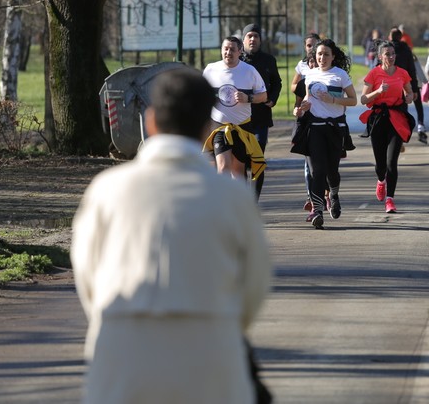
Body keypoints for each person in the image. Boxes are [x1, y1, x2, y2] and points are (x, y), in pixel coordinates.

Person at [71, 67, 272, 404]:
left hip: (120, 358)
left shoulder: (106, 190)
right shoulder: (233, 197)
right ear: (207, 129)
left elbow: (88, 278)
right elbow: (253, 288)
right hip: (210, 356)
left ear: (150, 122)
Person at [292, 39, 356, 229]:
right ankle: (318, 211)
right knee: (317, 171)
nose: (322, 58)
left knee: (331, 172)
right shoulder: (310, 75)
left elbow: (353, 100)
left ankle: (333, 194)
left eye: (326, 54)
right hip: (314, 128)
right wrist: (301, 109)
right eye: (319, 54)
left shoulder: (340, 75)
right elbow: (307, 98)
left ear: (333, 56)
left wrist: (333, 100)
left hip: (335, 128)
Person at [360, 40, 416, 214]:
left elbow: (409, 92)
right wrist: (378, 92)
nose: (391, 57)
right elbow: (363, 99)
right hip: (378, 119)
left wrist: (409, 97)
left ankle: (390, 199)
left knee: (392, 162)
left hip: (396, 118)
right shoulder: (373, 74)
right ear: (380, 56)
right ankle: (380, 180)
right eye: (387, 54)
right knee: (380, 164)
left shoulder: (402, 73)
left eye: (393, 54)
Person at [202, 36, 268, 183]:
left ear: (240, 51)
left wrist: (248, 98)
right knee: (223, 168)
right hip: (219, 127)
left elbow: (263, 96)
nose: (228, 52)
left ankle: (238, 197)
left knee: (238, 173)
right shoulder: (211, 69)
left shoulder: (249, 71)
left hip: (241, 127)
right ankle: (222, 198)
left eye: (232, 49)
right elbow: (200, 95)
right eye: (225, 49)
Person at [241, 24, 282, 198]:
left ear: (260, 40)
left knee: (257, 160)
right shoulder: (238, 60)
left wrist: (272, 99)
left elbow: (277, 83)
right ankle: (243, 198)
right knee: (241, 162)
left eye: (256, 36)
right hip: (239, 119)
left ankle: (253, 200)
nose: (252, 39)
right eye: (249, 36)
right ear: (243, 39)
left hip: (261, 117)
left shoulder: (268, 60)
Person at [291, 33, 322, 212]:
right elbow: (295, 90)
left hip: (326, 123)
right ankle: (312, 198)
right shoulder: (303, 69)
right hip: (307, 123)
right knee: (309, 166)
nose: (312, 48)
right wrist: (299, 107)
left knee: (325, 166)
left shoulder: (331, 73)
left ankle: (328, 193)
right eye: (309, 45)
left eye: (314, 45)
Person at [390, 27, 428, 145]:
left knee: (402, 109)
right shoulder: (407, 50)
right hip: (409, 83)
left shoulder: (388, 51)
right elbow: (413, 70)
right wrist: (416, 87)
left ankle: (400, 133)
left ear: (390, 37)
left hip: (394, 85)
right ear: (401, 37)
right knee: (418, 105)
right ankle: (420, 126)